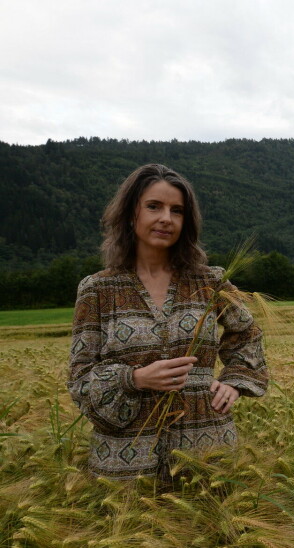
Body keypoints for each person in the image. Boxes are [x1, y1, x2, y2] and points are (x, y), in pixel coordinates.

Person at [68, 164, 268, 480]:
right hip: (125, 466)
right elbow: (79, 378)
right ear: (131, 214)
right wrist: (134, 379)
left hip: (206, 454)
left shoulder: (210, 282)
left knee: (210, 524)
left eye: (177, 211)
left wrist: (234, 380)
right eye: (154, 206)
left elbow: (248, 334)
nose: (166, 218)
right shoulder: (97, 289)